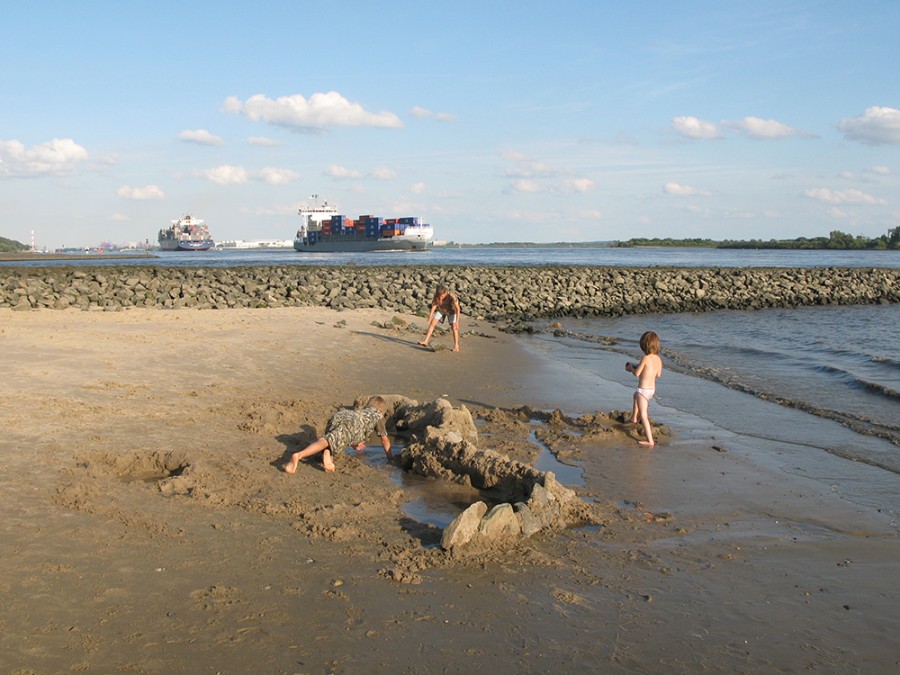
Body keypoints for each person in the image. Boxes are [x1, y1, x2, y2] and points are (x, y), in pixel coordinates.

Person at [283, 396, 391, 474]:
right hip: (352, 424)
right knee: (328, 440)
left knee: (331, 437)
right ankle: (299, 455)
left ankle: (327, 454)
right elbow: (384, 440)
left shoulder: (362, 412)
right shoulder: (378, 416)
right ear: (381, 410)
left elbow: (356, 428)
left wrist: (354, 444)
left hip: (340, 415)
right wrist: (389, 458)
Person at [625, 331, 663, 447]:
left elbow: (637, 374)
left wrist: (631, 368)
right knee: (635, 395)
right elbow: (658, 374)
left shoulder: (645, 358)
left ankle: (650, 441)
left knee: (644, 415)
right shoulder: (658, 359)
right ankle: (633, 418)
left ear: (644, 345)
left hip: (643, 391)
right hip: (651, 390)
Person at [418, 284, 461, 352]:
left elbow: (458, 309)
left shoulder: (452, 296)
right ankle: (425, 341)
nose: (440, 298)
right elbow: (434, 305)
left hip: (452, 310)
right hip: (441, 309)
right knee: (432, 323)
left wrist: (457, 322)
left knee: (454, 327)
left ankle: (456, 346)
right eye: (439, 296)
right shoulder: (437, 295)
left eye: (442, 296)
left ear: (445, 292)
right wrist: (430, 316)